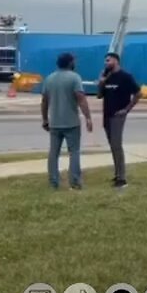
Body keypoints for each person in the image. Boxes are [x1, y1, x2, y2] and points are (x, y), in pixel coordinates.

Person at [41, 52, 93, 190]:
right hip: (72, 123)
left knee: (53, 153)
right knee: (74, 152)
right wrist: (88, 117)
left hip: (55, 123)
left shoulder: (49, 79)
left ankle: (53, 182)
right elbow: (81, 99)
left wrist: (45, 119)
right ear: (70, 63)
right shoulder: (75, 78)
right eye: (74, 61)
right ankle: (75, 182)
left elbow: (44, 101)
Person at [98, 52, 141, 190]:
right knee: (112, 146)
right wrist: (101, 82)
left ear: (116, 61)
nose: (106, 63)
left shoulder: (125, 77)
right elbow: (99, 95)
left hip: (118, 115)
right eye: (105, 61)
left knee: (117, 145)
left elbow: (138, 93)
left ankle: (122, 179)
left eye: (108, 60)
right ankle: (117, 174)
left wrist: (127, 109)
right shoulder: (107, 77)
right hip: (107, 115)